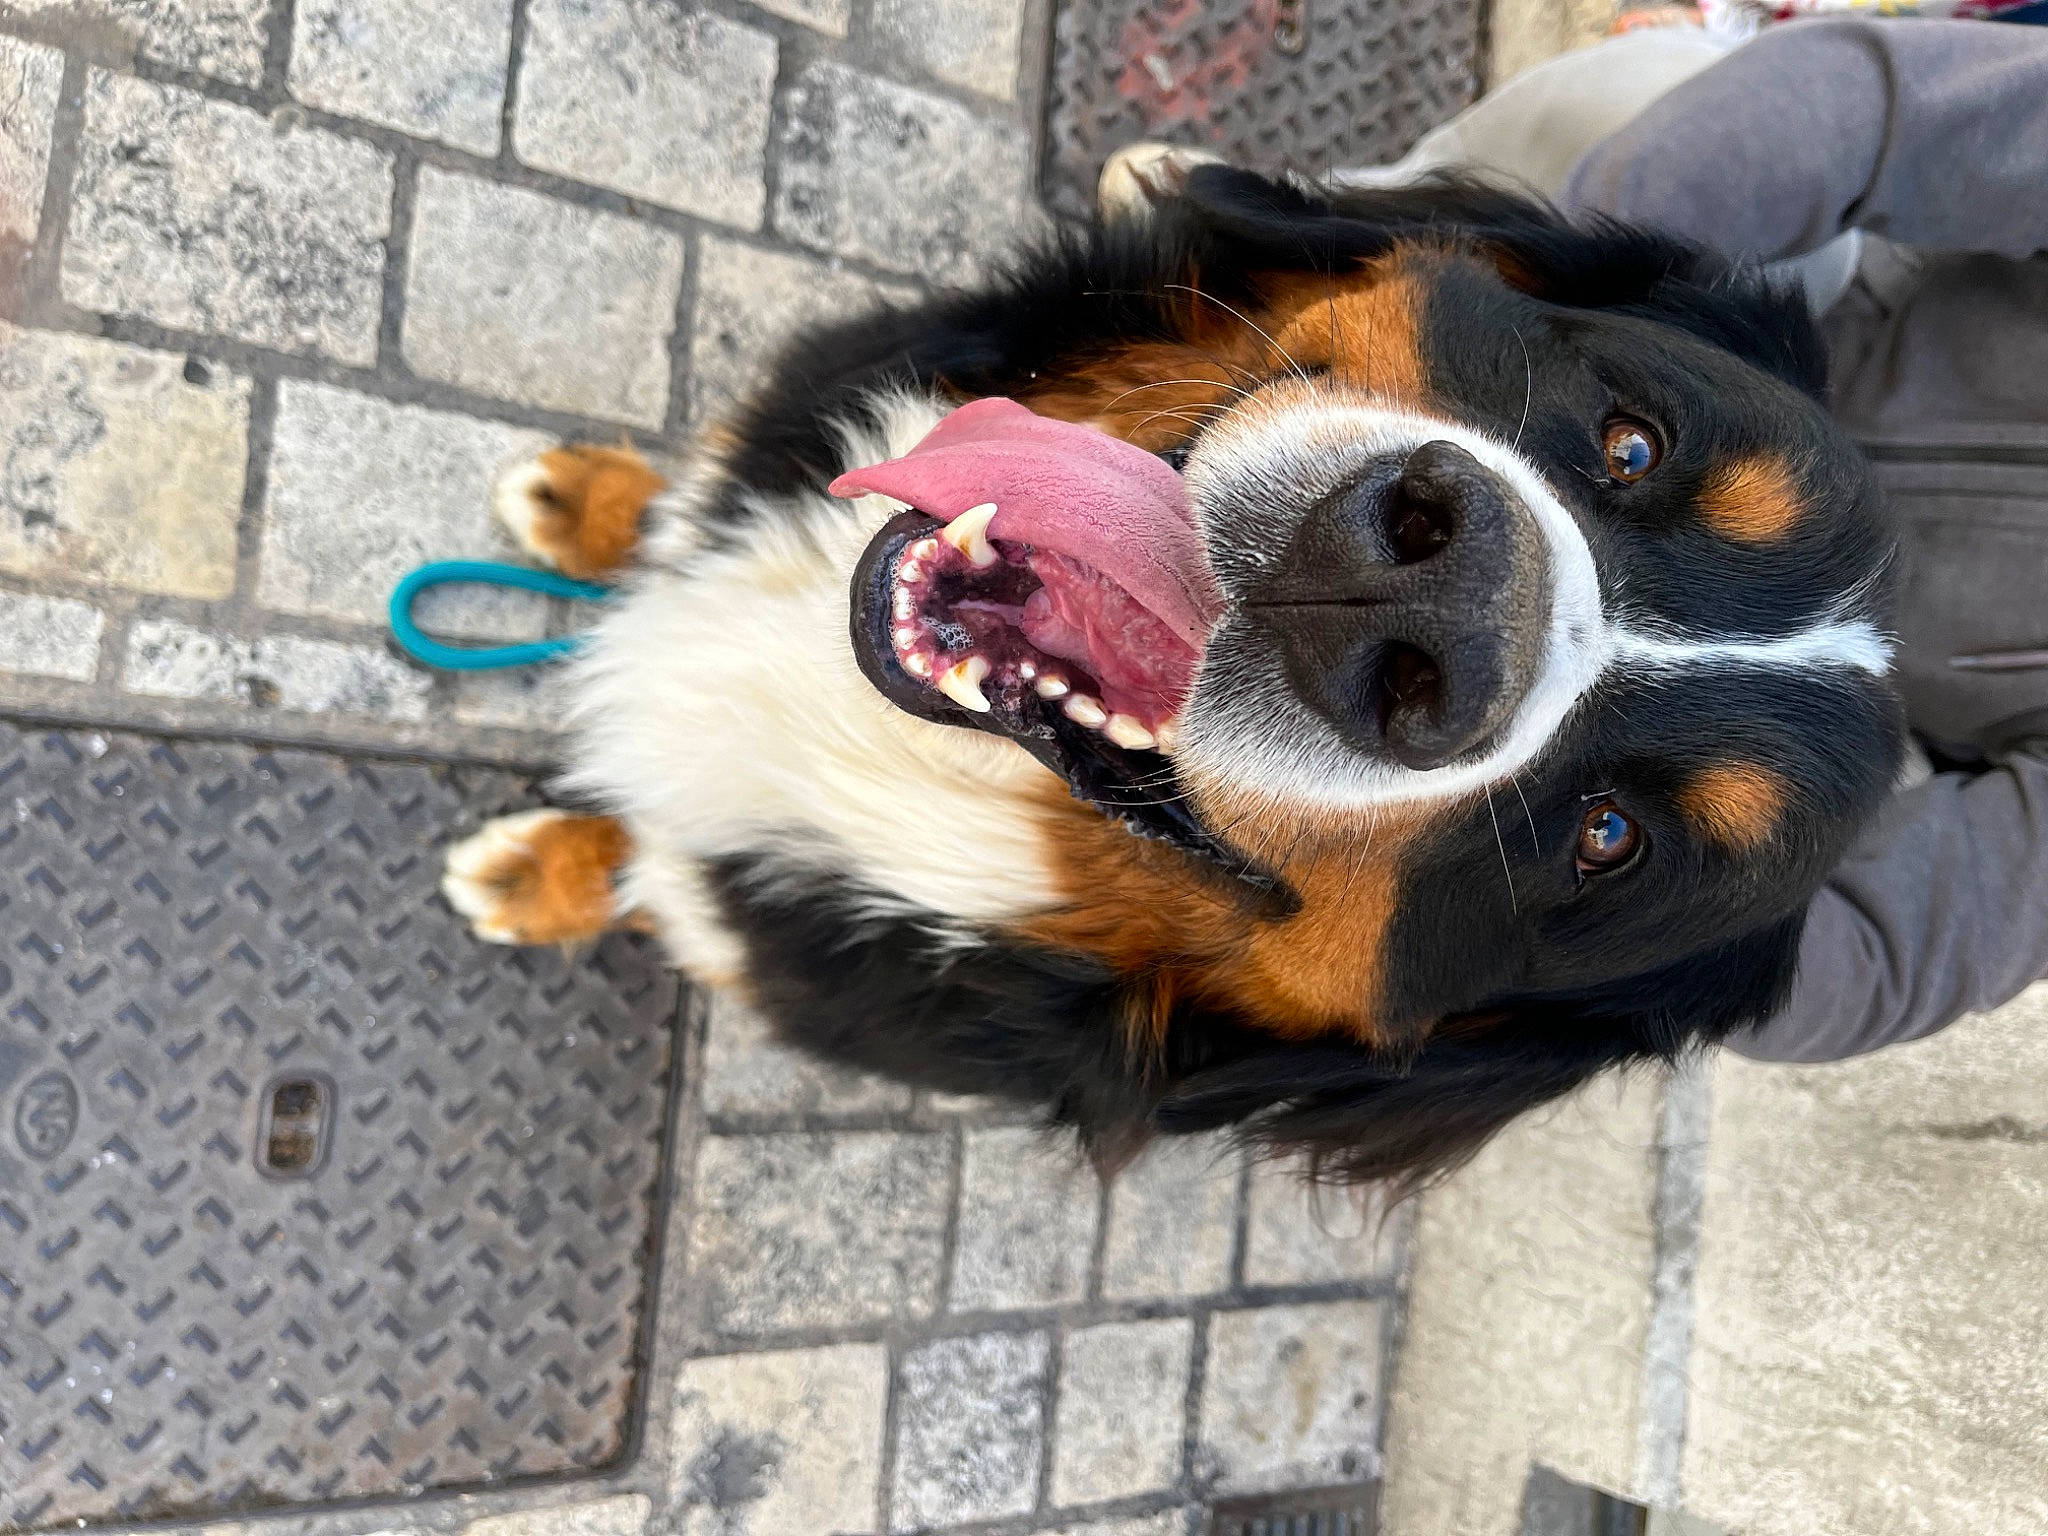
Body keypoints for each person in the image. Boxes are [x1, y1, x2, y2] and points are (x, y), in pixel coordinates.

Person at [1119, 13, 2048, 1061]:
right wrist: (1576, 275)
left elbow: (1878, 964)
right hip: (1759, 349)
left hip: (1750, 704)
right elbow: (1875, 111)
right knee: (1641, 97)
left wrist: (1670, 931)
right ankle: (1320, 227)